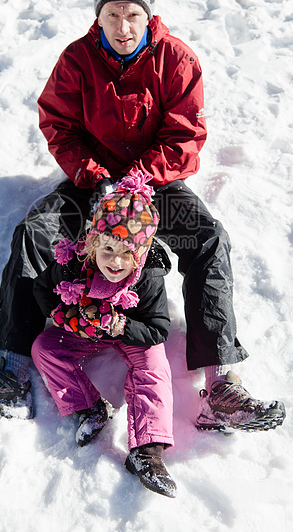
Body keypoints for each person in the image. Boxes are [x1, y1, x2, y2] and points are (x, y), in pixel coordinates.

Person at [0, 0, 285, 435]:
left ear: (148, 16)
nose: (123, 28)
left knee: (208, 241)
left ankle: (222, 384)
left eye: (132, 15)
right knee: (35, 234)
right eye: (113, 15)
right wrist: (92, 173)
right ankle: (14, 373)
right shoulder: (77, 60)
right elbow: (58, 124)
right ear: (98, 17)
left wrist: (141, 178)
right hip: (94, 181)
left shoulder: (176, 59)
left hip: (155, 184)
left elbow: (186, 135)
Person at [31, 171, 176, 497]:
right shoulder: (73, 263)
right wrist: (60, 314)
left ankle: (147, 449)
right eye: (108, 248)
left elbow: (158, 328)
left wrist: (122, 326)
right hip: (82, 327)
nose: (116, 261)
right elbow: (42, 288)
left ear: (138, 256)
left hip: (129, 331)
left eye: (127, 254)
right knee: (44, 347)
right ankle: (90, 408)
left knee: (154, 363)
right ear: (94, 241)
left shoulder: (148, 278)